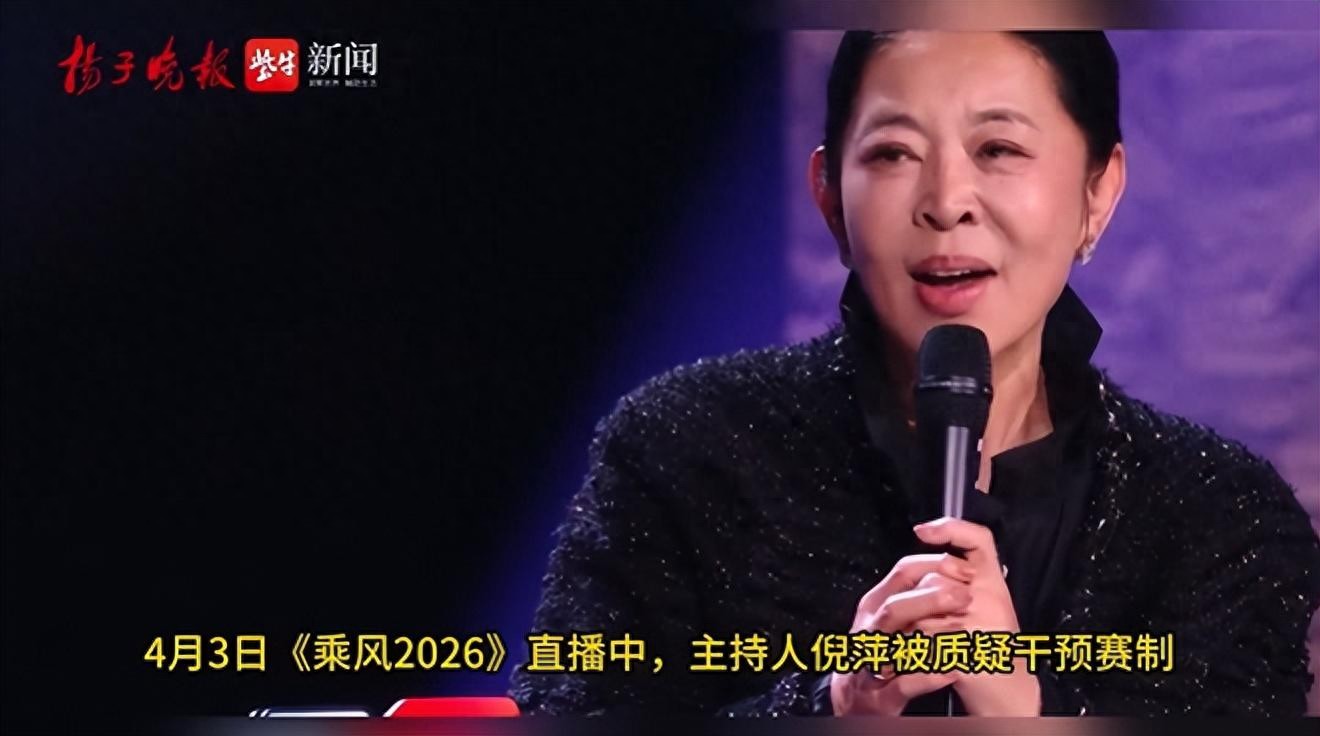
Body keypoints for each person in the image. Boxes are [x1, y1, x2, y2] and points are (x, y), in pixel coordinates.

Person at [506, 30, 1320, 717]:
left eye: (998, 149)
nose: (946, 202)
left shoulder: (1220, 517)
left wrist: (1030, 709)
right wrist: (834, 704)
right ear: (830, 195)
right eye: (894, 153)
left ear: (1098, 192)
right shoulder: (686, 455)